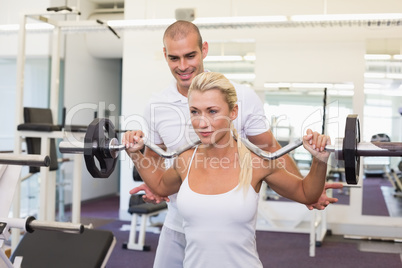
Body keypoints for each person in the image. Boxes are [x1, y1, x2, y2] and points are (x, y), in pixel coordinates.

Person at [129, 20, 342, 268]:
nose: (183, 66)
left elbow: (272, 149)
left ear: (204, 50)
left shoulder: (241, 97)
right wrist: (141, 161)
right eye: (175, 58)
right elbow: (155, 162)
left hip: (230, 216)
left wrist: (305, 190)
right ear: (165, 56)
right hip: (180, 216)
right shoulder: (160, 112)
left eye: (190, 55)